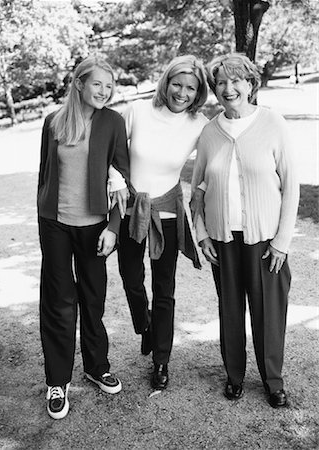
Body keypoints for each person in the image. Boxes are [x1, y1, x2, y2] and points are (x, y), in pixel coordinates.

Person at [190, 53, 299, 408]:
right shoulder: (210, 132)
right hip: (224, 240)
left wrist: (282, 241)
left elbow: (292, 186)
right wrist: (202, 234)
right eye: (221, 82)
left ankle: (273, 380)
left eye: (237, 80)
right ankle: (234, 376)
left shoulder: (273, 123)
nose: (228, 88)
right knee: (230, 312)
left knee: (269, 312)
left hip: (266, 240)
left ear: (251, 85)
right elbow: (197, 190)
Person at [37, 56, 130, 419]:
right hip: (56, 225)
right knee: (58, 303)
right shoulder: (53, 122)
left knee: (93, 299)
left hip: (96, 227)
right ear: (78, 84)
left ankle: (96, 366)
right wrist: (44, 217)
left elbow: (123, 177)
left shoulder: (113, 122)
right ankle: (57, 380)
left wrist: (114, 227)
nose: (104, 92)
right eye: (98, 85)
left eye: (109, 86)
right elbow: (45, 176)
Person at [117, 55, 209, 390]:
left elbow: (218, 160)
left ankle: (161, 361)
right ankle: (146, 327)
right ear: (166, 81)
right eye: (177, 84)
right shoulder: (138, 111)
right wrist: (115, 182)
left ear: (198, 93)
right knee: (130, 279)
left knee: (164, 289)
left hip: (168, 215)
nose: (182, 93)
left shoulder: (199, 125)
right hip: (131, 209)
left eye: (190, 88)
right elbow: (113, 152)